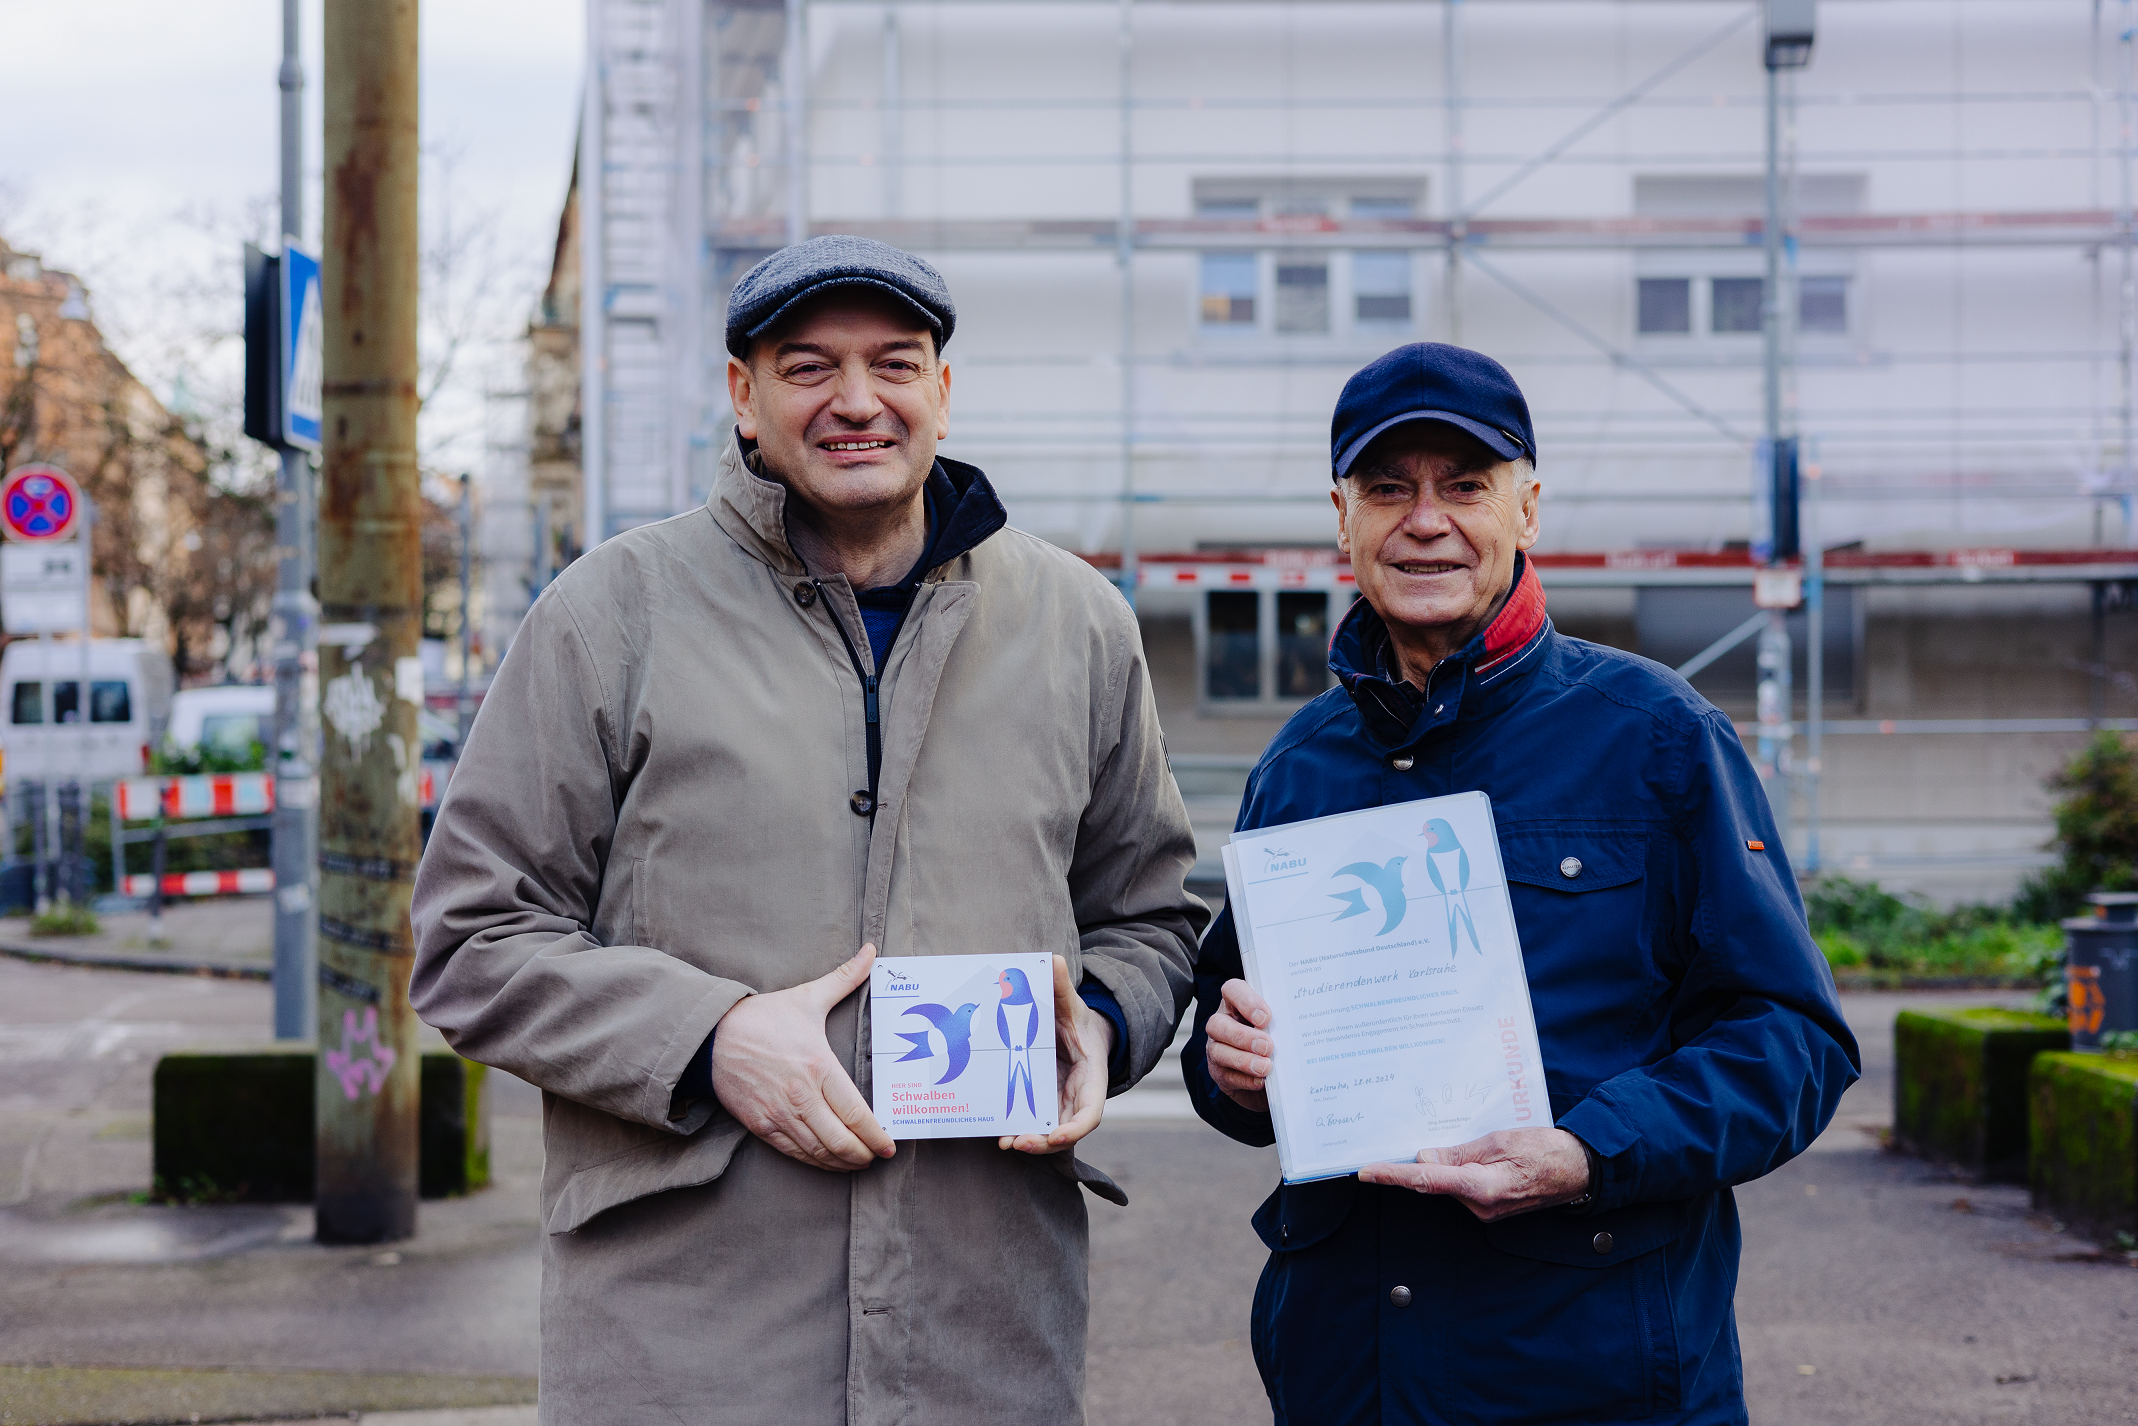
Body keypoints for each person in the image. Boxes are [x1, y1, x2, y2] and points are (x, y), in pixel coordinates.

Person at [410, 236, 1206, 1424]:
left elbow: (1149, 914)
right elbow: (471, 936)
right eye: (806, 366)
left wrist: (1097, 1018)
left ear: (942, 389)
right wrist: (708, 1036)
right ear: (743, 395)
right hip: (684, 1345)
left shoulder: (1078, 624)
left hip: (984, 1338)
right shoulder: (609, 613)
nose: (854, 401)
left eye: (895, 362)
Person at [1185, 342, 1860, 1424]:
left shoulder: (1657, 737)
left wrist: (1591, 1149)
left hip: (1589, 1368)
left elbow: (1792, 1039)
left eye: (1464, 485)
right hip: (1348, 1372)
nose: (1424, 519)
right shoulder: (1300, 764)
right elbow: (1229, 1047)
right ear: (1342, 516)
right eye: (1387, 488)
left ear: (1527, 508)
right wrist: (1234, 1071)